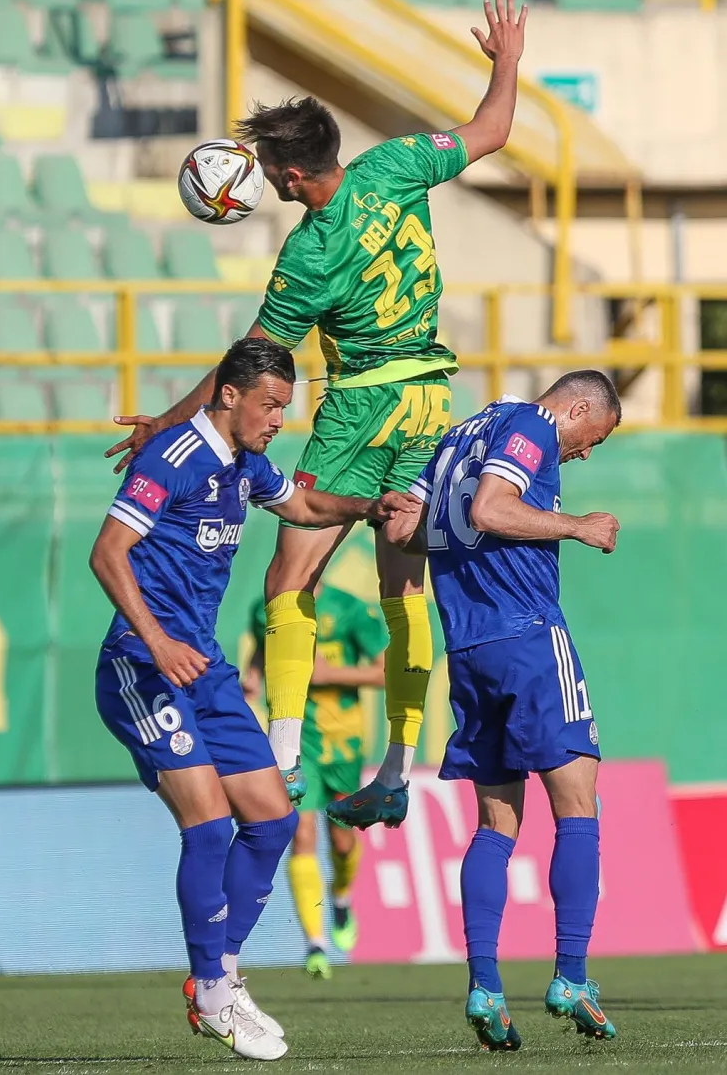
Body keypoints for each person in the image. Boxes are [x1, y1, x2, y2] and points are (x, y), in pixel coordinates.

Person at [104, 0, 528, 829]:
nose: (264, 181)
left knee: (286, 580)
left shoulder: (308, 253)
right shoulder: (395, 164)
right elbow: (493, 130)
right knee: (404, 584)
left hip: (363, 404)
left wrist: (172, 422)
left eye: (266, 172)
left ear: (294, 177)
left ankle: (286, 760)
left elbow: (252, 361)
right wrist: (505, 61)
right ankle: (398, 768)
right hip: (432, 398)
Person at [90, 338, 415, 1062]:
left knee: (272, 816)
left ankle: (224, 975)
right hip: (143, 666)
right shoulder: (172, 458)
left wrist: (364, 506)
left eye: (284, 408)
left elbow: (299, 501)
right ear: (228, 395)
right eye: (269, 405)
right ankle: (210, 988)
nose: (277, 420)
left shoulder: (247, 466)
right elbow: (107, 552)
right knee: (208, 823)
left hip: (201, 671)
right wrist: (158, 640)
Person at [384, 371, 622, 1051]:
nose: (581, 454)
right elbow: (491, 509)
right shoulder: (531, 430)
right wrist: (576, 525)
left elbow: (406, 530)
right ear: (576, 407)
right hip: (528, 636)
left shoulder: (460, 435)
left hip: (470, 646)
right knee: (578, 803)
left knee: (496, 820)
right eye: (590, 437)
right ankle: (571, 975)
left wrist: (382, 508)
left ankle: (486, 986)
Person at [244, 583, 386, 977]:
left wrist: (328, 674)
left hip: (343, 742)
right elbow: (263, 649)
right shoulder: (266, 607)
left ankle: (340, 899)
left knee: (343, 841)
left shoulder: (349, 608)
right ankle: (315, 943)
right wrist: (253, 678)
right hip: (297, 742)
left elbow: (387, 671)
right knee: (302, 835)